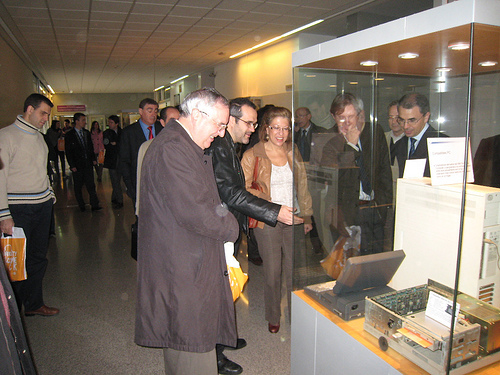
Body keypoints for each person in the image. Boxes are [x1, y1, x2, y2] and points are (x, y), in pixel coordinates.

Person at [135, 87, 239, 375]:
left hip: (186, 261)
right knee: (192, 349)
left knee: (187, 344)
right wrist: (232, 225)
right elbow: (198, 212)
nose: (220, 133)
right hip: (182, 268)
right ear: (196, 114)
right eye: (219, 125)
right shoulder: (173, 150)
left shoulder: (183, 145)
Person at [206, 98, 300, 374]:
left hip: (230, 227)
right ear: (231, 120)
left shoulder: (229, 146)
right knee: (221, 289)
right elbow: (235, 193)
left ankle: (224, 339)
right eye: (249, 122)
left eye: (256, 122)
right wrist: (273, 212)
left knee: (226, 288)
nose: (253, 127)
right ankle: (217, 353)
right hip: (225, 227)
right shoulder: (225, 148)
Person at [241, 106, 313, 334]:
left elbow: (302, 184)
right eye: (276, 128)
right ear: (266, 129)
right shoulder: (253, 154)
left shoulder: (293, 151)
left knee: (294, 272)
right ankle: (273, 315)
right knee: (273, 272)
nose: (281, 133)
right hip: (268, 221)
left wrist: (307, 215)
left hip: (294, 219)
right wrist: (273, 207)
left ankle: (296, 313)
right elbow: (244, 189)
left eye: (285, 128)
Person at [0, 93, 59, 317]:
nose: (46, 118)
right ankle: (11, 311)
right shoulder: (6, 136)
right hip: (17, 209)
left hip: (41, 207)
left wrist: (49, 194)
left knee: (37, 258)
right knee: (15, 263)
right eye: (43, 113)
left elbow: (41, 171)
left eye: (47, 114)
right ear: (29, 109)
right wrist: (4, 214)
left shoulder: (39, 138)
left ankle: (34, 304)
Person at [320, 93, 392, 255]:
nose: (347, 123)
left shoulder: (374, 132)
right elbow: (336, 181)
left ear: (359, 115)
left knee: (375, 258)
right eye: (341, 117)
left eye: (351, 116)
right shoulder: (328, 140)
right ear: (333, 116)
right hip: (346, 213)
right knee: (350, 265)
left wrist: (385, 206)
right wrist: (350, 147)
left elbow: (384, 171)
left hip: (374, 208)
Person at [294, 106, 327, 254]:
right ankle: (301, 242)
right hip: (299, 178)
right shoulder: (294, 134)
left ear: (309, 116)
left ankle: (317, 244)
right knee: (301, 209)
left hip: (315, 179)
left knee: (314, 212)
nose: (299, 119)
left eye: (302, 116)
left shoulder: (320, 132)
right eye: (297, 116)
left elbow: (326, 157)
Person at [119, 98, 162, 208]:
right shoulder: (129, 132)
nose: (153, 114)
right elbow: (124, 161)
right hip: (139, 182)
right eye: (149, 110)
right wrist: (129, 185)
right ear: (141, 111)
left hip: (160, 183)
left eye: (156, 110)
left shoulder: (162, 129)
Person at [393, 92, 448, 178]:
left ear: (426, 117)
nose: (405, 126)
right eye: (402, 120)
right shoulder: (399, 145)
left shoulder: (444, 144)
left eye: (412, 120)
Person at [65, 113, 102, 212]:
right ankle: (81, 205)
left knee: (91, 185)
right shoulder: (69, 135)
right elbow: (68, 151)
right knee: (78, 186)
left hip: (88, 164)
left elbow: (90, 148)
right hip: (77, 165)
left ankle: (94, 204)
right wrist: (72, 165)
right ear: (76, 121)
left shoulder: (86, 133)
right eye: (83, 120)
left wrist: (93, 159)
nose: (85, 122)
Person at [103, 115, 123, 209]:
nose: (109, 124)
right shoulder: (107, 133)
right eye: (109, 122)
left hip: (121, 160)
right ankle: (119, 200)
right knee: (115, 181)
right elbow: (107, 144)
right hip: (112, 161)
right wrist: (115, 144)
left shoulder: (122, 132)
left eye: (111, 122)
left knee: (118, 180)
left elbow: (122, 144)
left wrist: (116, 144)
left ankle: (114, 197)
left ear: (116, 124)